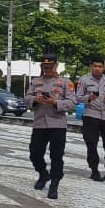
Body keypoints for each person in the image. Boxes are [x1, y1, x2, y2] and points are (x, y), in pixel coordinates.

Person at [26, 52, 74, 199]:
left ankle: (54, 184)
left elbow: (72, 102)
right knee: (34, 153)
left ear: (56, 66)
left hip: (57, 124)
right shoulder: (35, 82)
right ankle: (43, 174)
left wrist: (56, 103)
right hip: (40, 123)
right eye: (45, 67)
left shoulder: (66, 83)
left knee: (56, 156)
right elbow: (27, 97)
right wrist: (35, 99)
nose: (47, 70)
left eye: (50, 67)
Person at [77, 56, 105, 183]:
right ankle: (94, 171)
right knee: (92, 144)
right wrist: (88, 98)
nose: (97, 69)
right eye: (95, 66)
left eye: (100, 66)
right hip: (91, 115)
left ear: (104, 67)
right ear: (91, 66)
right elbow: (77, 97)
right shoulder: (84, 79)